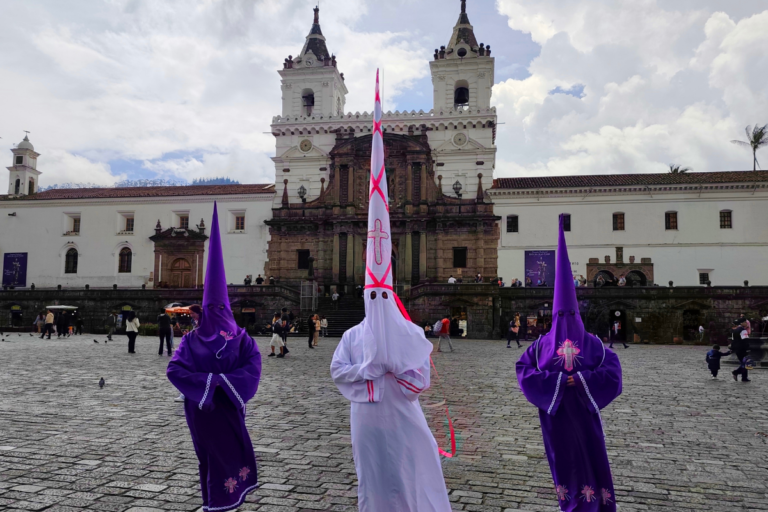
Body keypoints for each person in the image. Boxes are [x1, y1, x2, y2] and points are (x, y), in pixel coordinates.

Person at [331, 76, 451, 511]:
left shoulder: (412, 334)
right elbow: (338, 371)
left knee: (409, 465)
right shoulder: (351, 336)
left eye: (382, 296)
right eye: (373, 296)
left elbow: (421, 380)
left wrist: (393, 374)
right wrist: (371, 369)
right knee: (372, 472)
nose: (378, 302)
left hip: (400, 413)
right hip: (365, 416)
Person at [517, 215, 622, 512]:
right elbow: (524, 370)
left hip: (584, 413)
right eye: (561, 316)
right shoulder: (540, 346)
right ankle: (571, 503)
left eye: (570, 316)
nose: (566, 321)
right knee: (564, 460)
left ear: (578, 315)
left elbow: (613, 372)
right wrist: (560, 381)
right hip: (557, 416)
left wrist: (584, 380)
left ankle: (597, 502)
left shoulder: (594, 344)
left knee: (591, 455)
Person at [167, 203, 262, 512]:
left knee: (231, 451)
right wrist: (212, 383)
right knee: (208, 454)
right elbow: (175, 370)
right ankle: (214, 501)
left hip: (230, 407)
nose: (217, 314)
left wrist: (224, 383)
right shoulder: (190, 341)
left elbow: (253, 367)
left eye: (221, 309)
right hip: (202, 409)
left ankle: (223, 498)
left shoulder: (242, 339)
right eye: (212, 310)